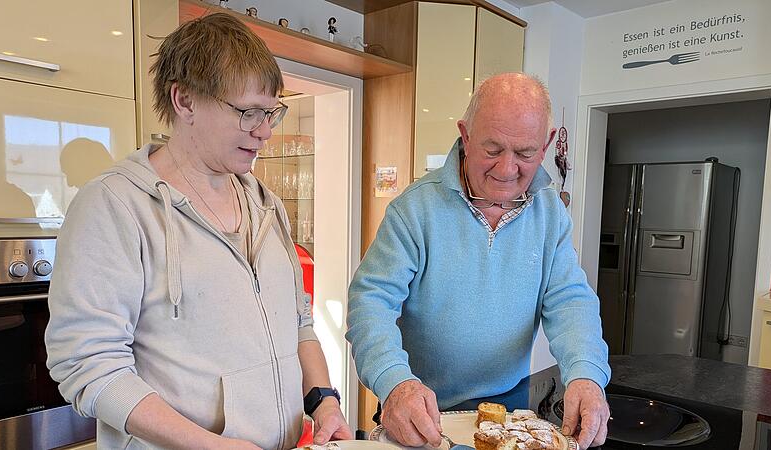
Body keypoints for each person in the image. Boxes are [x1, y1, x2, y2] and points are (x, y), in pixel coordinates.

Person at [45, 13, 351, 450]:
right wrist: (209, 445)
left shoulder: (267, 205)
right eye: (248, 113)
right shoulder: (113, 206)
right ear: (184, 101)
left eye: (271, 113)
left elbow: (298, 322)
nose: (264, 132)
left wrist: (324, 403)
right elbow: (88, 364)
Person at [346, 73, 610, 450]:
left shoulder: (550, 212)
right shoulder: (415, 209)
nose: (506, 170)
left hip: (508, 407)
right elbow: (370, 304)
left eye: (524, 154)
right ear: (465, 136)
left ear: (547, 144)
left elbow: (570, 300)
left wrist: (586, 374)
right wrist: (394, 381)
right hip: (420, 407)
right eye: (492, 149)